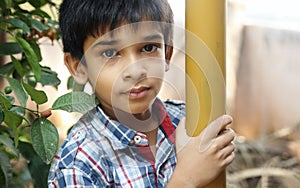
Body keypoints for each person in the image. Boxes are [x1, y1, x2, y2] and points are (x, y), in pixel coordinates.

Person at [48, 0, 236, 187]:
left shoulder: (189, 121)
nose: (135, 71)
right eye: (110, 53)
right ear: (78, 67)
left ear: (167, 54)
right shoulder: (79, 165)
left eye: (148, 48)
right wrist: (186, 179)